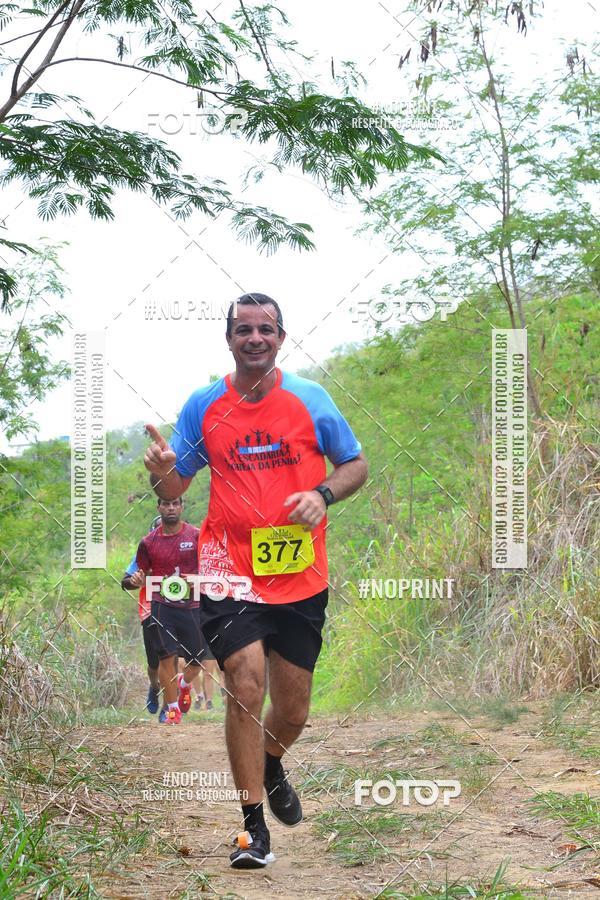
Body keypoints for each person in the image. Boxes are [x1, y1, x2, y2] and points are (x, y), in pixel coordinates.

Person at [143, 293, 367, 865]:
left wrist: (322, 495)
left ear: (281, 338)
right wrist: (165, 474)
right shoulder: (204, 405)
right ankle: (251, 827)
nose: (254, 338)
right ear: (229, 339)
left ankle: (271, 763)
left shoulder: (309, 400)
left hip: (299, 572)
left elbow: (355, 465)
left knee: (292, 711)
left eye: (265, 329)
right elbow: (176, 490)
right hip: (227, 566)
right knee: (244, 685)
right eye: (243, 329)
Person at [131, 497, 214, 725]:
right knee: (166, 657)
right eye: (165, 504)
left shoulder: (196, 536)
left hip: (193, 605)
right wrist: (137, 579)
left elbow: (212, 566)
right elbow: (137, 573)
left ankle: (183, 685)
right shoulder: (148, 542)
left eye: (175, 504)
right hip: (161, 605)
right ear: (158, 507)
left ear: (181, 507)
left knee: (197, 659)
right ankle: (172, 710)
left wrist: (198, 579)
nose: (170, 508)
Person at [121, 514, 162, 716]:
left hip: (179, 609)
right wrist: (135, 581)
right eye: (157, 529)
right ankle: (154, 688)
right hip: (150, 611)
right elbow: (124, 582)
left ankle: (170, 705)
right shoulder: (143, 555)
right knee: (154, 663)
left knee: (173, 658)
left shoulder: (185, 549)